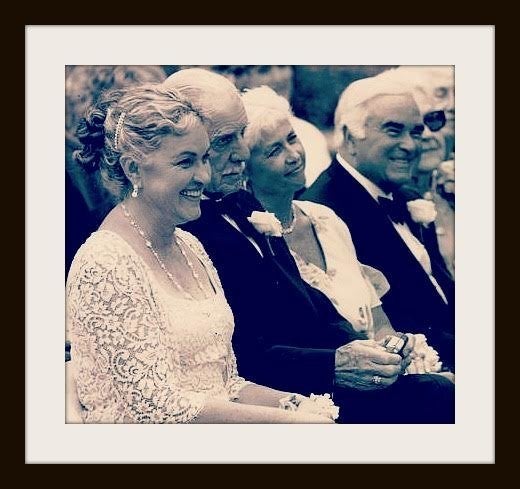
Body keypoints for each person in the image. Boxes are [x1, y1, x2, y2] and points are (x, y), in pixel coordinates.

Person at [165, 68, 455, 423]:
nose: (241, 151)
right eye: (225, 140)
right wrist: (335, 364)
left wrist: (363, 349)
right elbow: (237, 350)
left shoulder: (245, 207)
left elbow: (314, 305)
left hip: (333, 376)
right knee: (445, 395)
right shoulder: (185, 227)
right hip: (285, 394)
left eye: (241, 136)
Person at [66, 82, 336, 424]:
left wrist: (297, 405)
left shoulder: (190, 246)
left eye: (205, 158)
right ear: (134, 169)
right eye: (185, 162)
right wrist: (289, 424)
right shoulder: (105, 263)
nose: (203, 176)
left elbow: (225, 384)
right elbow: (154, 407)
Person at [241, 85, 448, 375]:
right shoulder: (249, 238)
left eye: (292, 139)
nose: (293, 155)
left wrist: (406, 355)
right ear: (243, 168)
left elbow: (380, 321)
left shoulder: (326, 218)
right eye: (274, 150)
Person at [303, 74, 455, 370]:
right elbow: (391, 322)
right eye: (394, 131)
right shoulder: (326, 212)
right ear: (349, 138)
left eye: (415, 132)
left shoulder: (405, 196)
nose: (411, 145)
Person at [212, 65, 331, 187]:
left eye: (282, 66)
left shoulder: (311, 133)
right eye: (264, 70)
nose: (278, 78)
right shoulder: (234, 140)